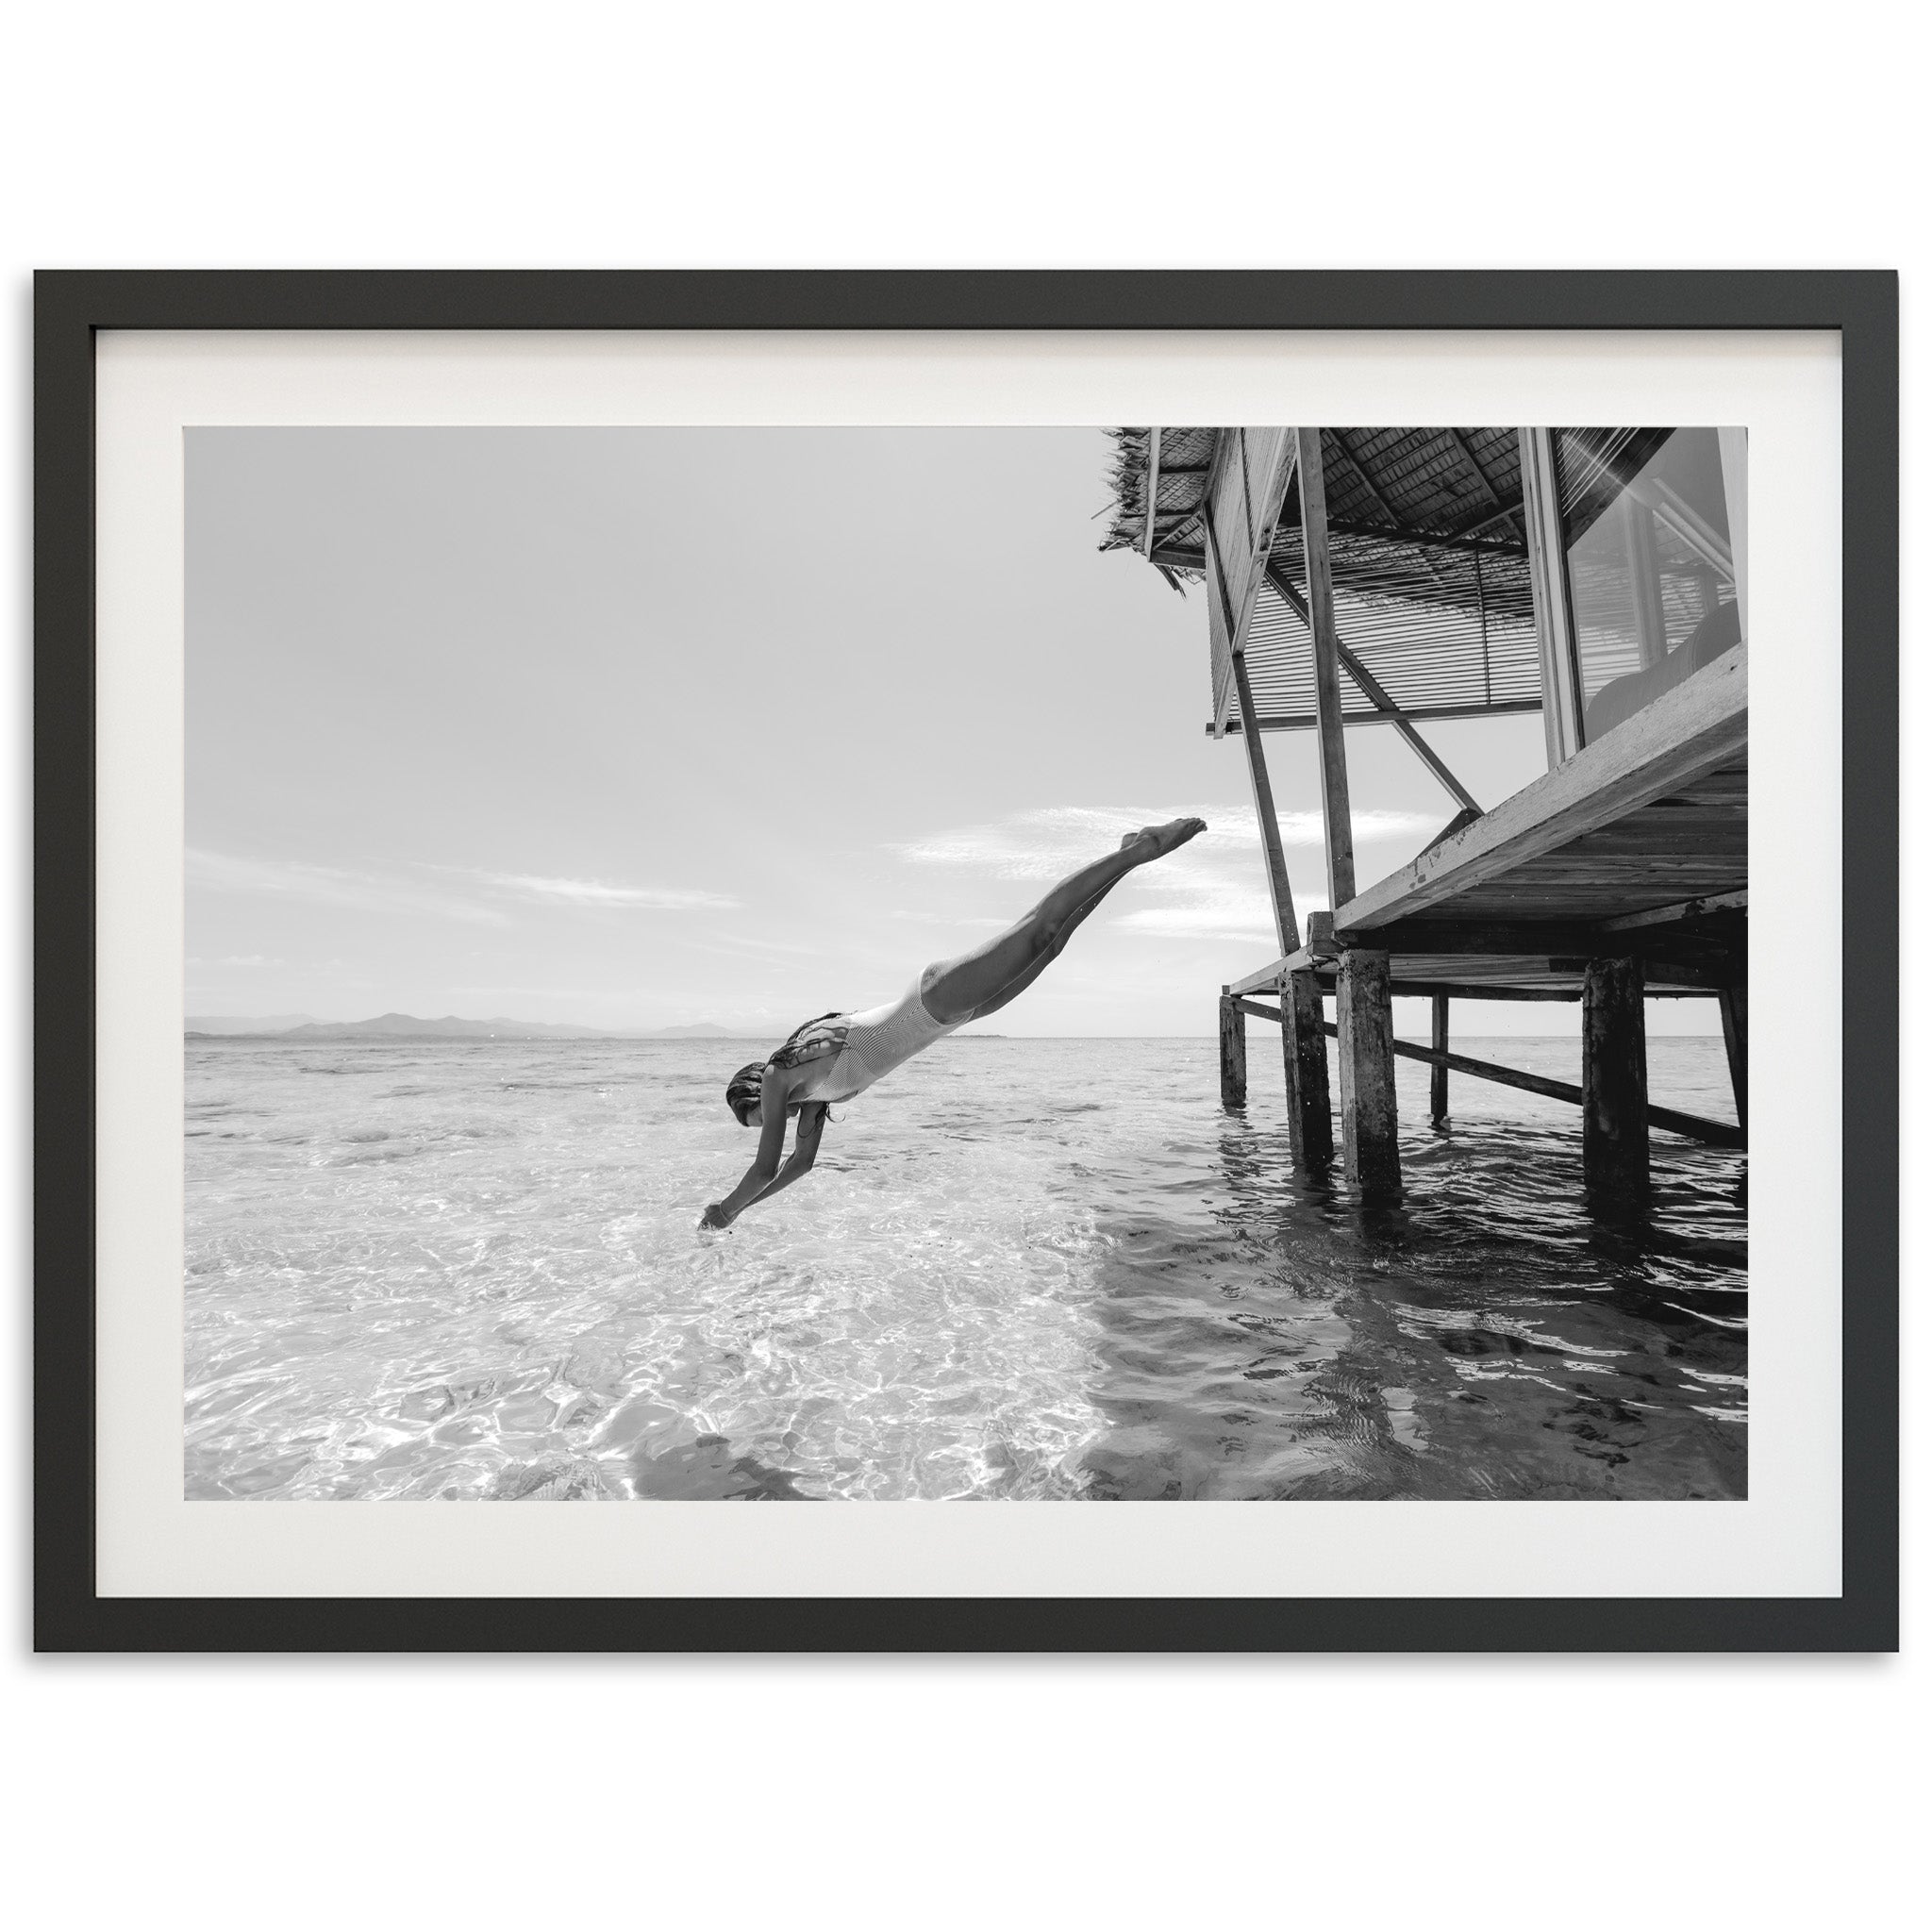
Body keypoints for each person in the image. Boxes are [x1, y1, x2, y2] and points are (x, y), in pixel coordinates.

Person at [699, 816, 1207, 1229]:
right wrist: (744, 1213)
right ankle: (1124, 859)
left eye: (761, 1119)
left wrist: (724, 1212)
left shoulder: (778, 1077)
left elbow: (766, 1166)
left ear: (753, 1090)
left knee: (1036, 932)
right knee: (1049, 947)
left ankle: (1142, 849)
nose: (775, 1121)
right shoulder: (811, 1100)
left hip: (932, 998)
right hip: (956, 1017)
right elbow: (798, 1166)